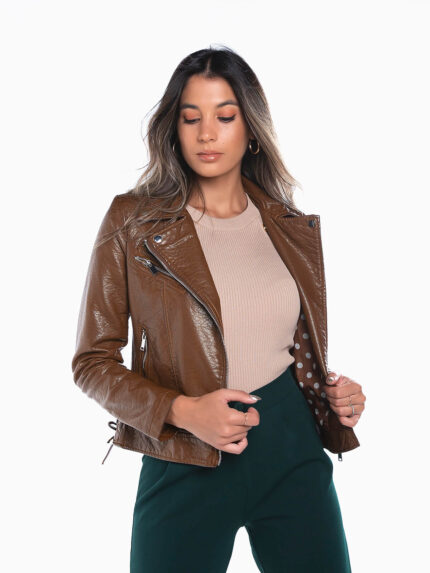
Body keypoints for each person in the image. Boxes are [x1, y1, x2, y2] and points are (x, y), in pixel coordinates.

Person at [71, 45, 366, 573]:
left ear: (251, 129)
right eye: (192, 118)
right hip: (185, 455)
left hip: (291, 449)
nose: (207, 133)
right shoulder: (133, 222)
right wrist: (183, 413)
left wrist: (335, 394)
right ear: (174, 129)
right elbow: (91, 363)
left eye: (225, 116)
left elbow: (285, 344)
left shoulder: (288, 225)